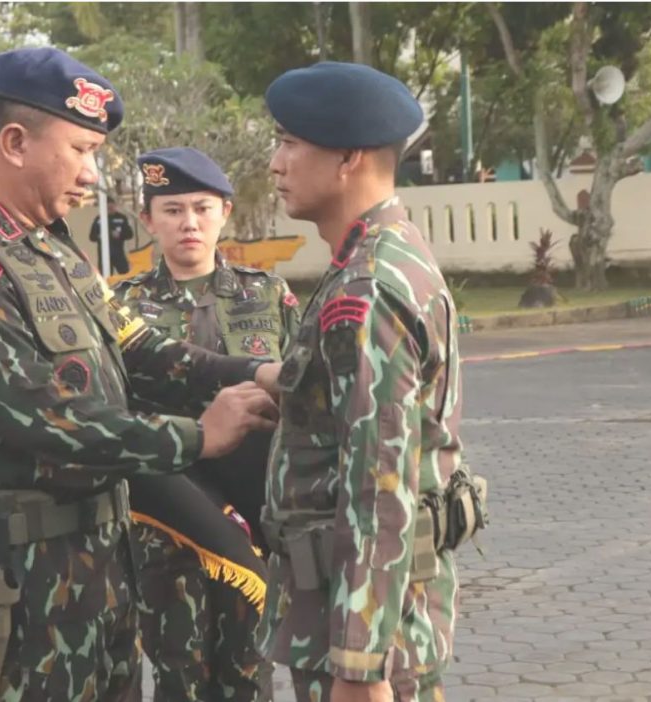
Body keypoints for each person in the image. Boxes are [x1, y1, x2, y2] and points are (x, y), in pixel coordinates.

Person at [0, 47, 281, 702]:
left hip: (99, 569)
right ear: (15, 142)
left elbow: (135, 348)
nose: (94, 176)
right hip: (20, 588)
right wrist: (196, 438)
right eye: (81, 150)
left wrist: (253, 371)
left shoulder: (49, 249)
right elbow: (40, 416)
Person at [256, 62, 485, 702]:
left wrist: (359, 667)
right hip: (371, 612)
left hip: (368, 628)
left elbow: (379, 485)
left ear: (348, 157)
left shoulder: (368, 287)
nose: (276, 164)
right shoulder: (383, 255)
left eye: (288, 143)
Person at [114, 147, 301, 702]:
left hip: (253, 508)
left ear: (225, 212)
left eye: (201, 207)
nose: (188, 223)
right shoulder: (119, 308)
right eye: (172, 210)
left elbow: (302, 395)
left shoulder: (268, 295)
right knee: (177, 668)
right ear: (147, 220)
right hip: (166, 518)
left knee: (249, 665)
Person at [89, 197, 135, 274]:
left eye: (112, 207)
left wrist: (120, 235)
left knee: (126, 275)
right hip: (104, 255)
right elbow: (92, 237)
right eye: (108, 207)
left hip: (119, 253)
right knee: (105, 278)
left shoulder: (121, 218)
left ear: (115, 206)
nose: (110, 209)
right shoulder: (99, 219)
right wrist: (100, 236)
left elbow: (130, 234)